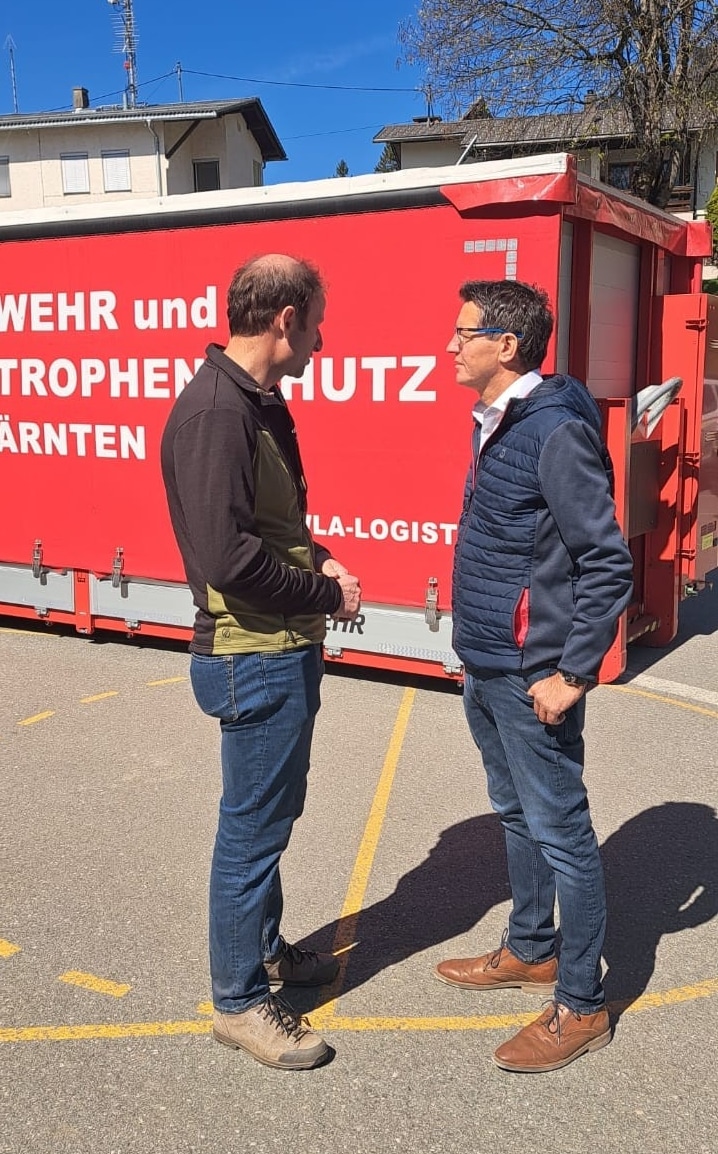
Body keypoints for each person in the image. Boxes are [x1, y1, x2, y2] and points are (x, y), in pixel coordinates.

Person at [160, 254, 360, 1071]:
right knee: (250, 834)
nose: (320, 340)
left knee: (268, 821)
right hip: (254, 655)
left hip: (277, 648)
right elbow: (227, 557)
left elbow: (269, 527)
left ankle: (268, 952)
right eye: (316, 324)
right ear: (285, 320)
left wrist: (319, 555)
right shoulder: (217, 412)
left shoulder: (255, 402)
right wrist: (324, 593)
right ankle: (240, 1002)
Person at [434, 279, 633, 1073]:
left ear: (506, 346)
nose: (450, 346)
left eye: (463, 334)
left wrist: (572, 674)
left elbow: (606, 562)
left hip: (533, 674)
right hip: (489, 661)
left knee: (563, 833)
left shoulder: (554, 431)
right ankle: (530, 948)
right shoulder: (498, 420)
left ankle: (582, 1005)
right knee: (514, 813)